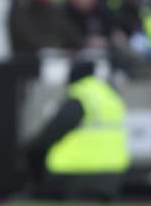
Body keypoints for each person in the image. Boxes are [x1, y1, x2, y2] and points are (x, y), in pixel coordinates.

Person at [24, 60, 130, 200]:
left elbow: (47, 137)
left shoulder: (81, 98)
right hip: (113, 174)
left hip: (77, 172)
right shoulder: (111, 97)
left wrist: (28, 151)